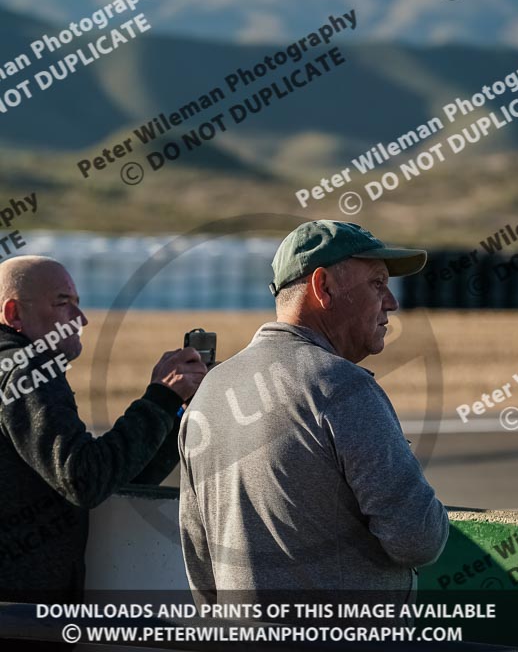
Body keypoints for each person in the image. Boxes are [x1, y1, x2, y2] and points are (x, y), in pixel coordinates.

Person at [179, 220, 449, 607]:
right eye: (377, 283)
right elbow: (418, 537)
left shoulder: (209, 391)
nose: (391, 302)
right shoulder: (342, 386)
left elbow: (201, 571)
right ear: (323, 287)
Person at [0, 255, 207, 602]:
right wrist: (158, 398)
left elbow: (111, 475)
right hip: (21, 617)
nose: (80, 319)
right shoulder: (28, 371)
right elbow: (83, 479)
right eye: (62, 303)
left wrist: (173, 412)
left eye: (78, 305)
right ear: (13, 314)